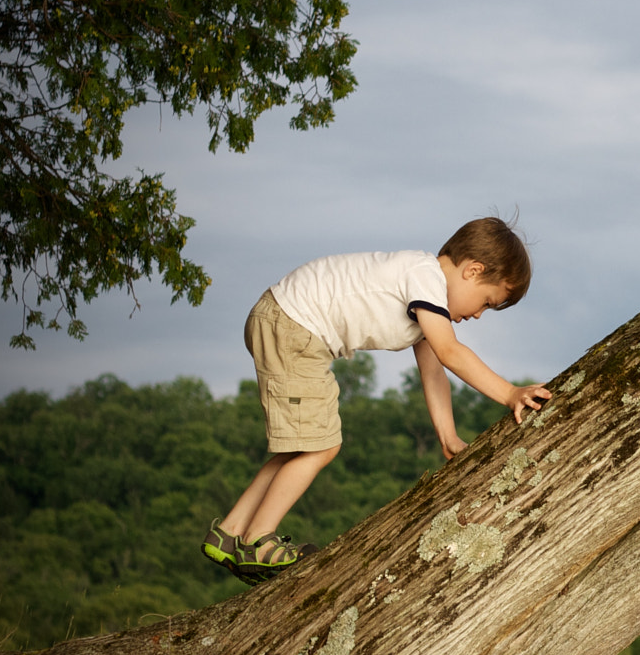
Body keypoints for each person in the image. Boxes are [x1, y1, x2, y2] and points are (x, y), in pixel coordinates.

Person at [205, 217, 553, 581]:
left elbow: (434, 372)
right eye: (486, 302)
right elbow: (450, 352)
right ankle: (258, 541)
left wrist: (448, 437)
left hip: (283, 318)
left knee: (302, 448)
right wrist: (509, 392)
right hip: (294, 324)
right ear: (472, 270)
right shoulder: (426, 277)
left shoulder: (426, 304)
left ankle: (229, 533)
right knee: (320, 448)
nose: (478, 315)